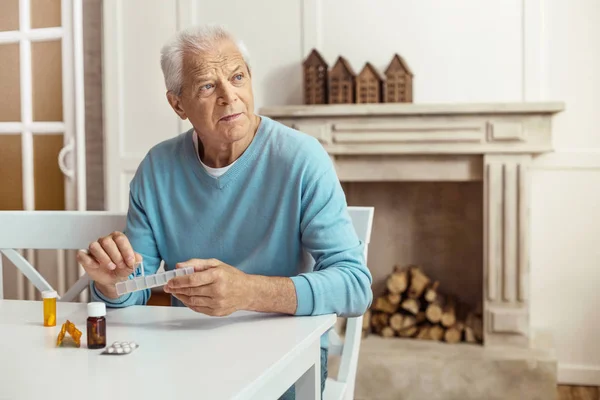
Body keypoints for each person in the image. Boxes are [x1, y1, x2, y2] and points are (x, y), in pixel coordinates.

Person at [77, 24, 372, 398]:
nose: (229, 96)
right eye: (206, 86)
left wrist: (247, 292)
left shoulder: (302, 159)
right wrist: (111, 283)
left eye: (237, 77)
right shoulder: (157, 169)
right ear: (178, 104)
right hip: (185, 354)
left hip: (288, 359)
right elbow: (134, 292)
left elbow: (355, 286)